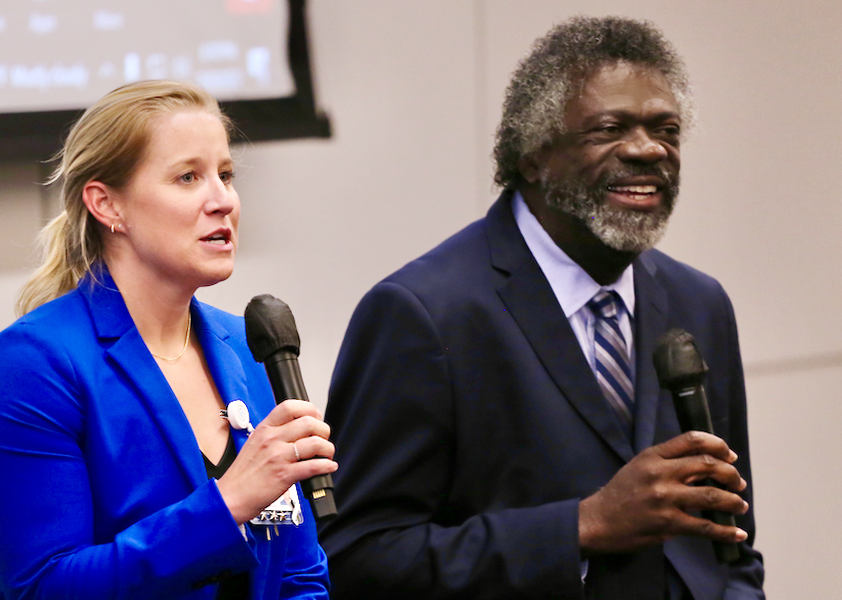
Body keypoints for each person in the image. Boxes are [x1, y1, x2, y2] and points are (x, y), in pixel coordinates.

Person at [318, 16, 764, 600]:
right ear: (532, 155)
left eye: (666, 130)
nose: (647, 149)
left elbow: (730, 540)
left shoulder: (699, 302)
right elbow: (357, 557)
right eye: (609, 129)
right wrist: (580, 527)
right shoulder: (424, 314)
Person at [0, 80, 334, 600]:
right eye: (188, 177)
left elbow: (299, 575)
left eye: (225, 175)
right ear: (107, 205)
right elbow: (45, 588)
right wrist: (227, 506)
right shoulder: (33, 366)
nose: (223, 200)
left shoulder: (248, 348)